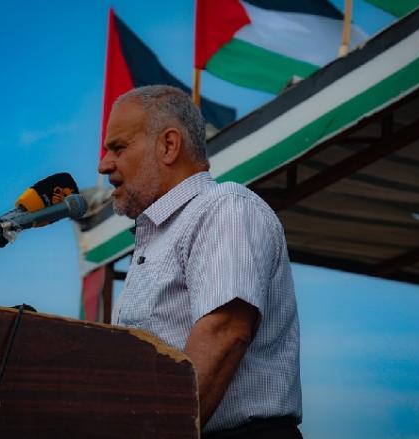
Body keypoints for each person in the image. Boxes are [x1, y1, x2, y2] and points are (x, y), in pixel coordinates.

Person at [97, 85, 302, 438]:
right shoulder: (156, 237)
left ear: (169, 145)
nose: (104, 165)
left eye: (118, 148)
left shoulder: (222, 207)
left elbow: (225, 331)